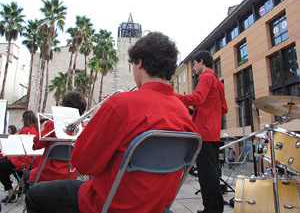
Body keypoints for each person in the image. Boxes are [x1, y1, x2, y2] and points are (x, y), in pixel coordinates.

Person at [25, 32, 198, 213]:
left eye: (131, 64)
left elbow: (83, 164)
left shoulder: (121, 104)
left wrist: (102, 118)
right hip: (156, 206)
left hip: (109, 204)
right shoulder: (184, 113)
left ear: (139, 62)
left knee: (35, 195)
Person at [174, 50, 228, 213]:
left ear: (201, 61)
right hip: (213, 131)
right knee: (211, 172)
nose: (193, 69)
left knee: (206, 174)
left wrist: (172, 95)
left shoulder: (206, 77)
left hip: (204, 131)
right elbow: (223, 108)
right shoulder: (217, 80)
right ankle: (216, 208)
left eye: (194, 64)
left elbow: (197, 99)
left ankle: (211, 210)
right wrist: (198, 112)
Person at [27, 91, 87, 183]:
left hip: (48, 174)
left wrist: (42, 130)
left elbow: (37, 145)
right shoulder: (83, 128)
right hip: (70, 175)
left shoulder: (53, 123)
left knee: (27, 175)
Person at [0, 110, 39, 203]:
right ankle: (21, 186)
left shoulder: (25, 130)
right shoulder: (37, 130)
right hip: (33, 160)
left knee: (1, 166)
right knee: (7, 164)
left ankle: (10, 191)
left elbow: (17, 148)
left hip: (24, 160)